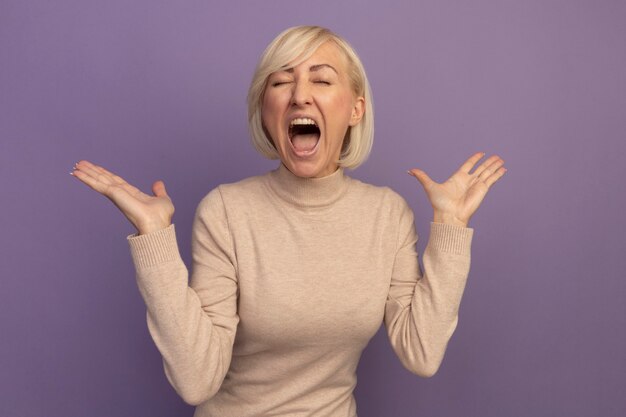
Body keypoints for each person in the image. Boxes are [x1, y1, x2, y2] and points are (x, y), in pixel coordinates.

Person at [71, 25, 506, 417]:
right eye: (281, 81)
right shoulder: (226, 211)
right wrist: (155, 240)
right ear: (265, 109)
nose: (299, 94)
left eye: (320, 79)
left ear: (355, 110)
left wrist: (449, 227)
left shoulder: (387, 216)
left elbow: (422, 352)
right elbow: (196, 381)